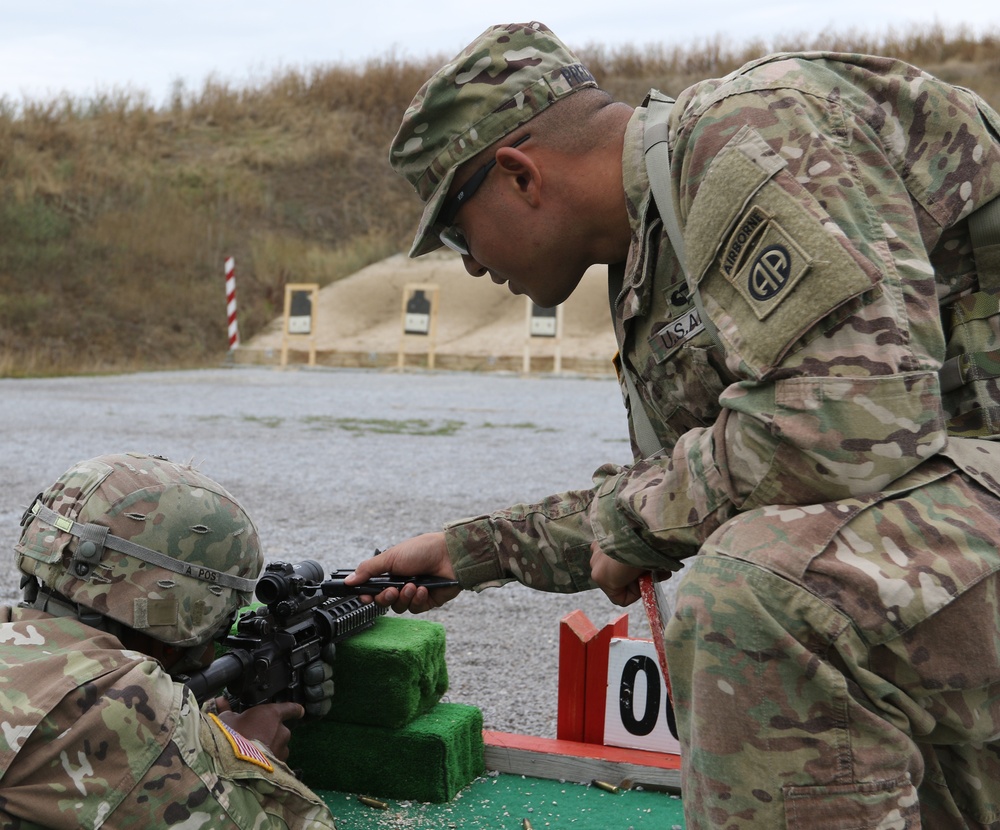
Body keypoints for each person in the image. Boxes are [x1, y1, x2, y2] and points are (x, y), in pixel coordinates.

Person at [347, 20, 1000, 829]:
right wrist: (473, 550)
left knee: (758, 589)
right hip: (963, 512)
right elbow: (709, 469)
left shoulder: (749, 134)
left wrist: (637, 525)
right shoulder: (655, 254)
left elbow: (849, 422)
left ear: (518, 174)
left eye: (455, 231)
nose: (473, 264)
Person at [0, 452, 338, 829]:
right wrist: (252, 755)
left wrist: (195, 726)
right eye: (221, 623)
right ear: (185, 609)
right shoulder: (119, 698)